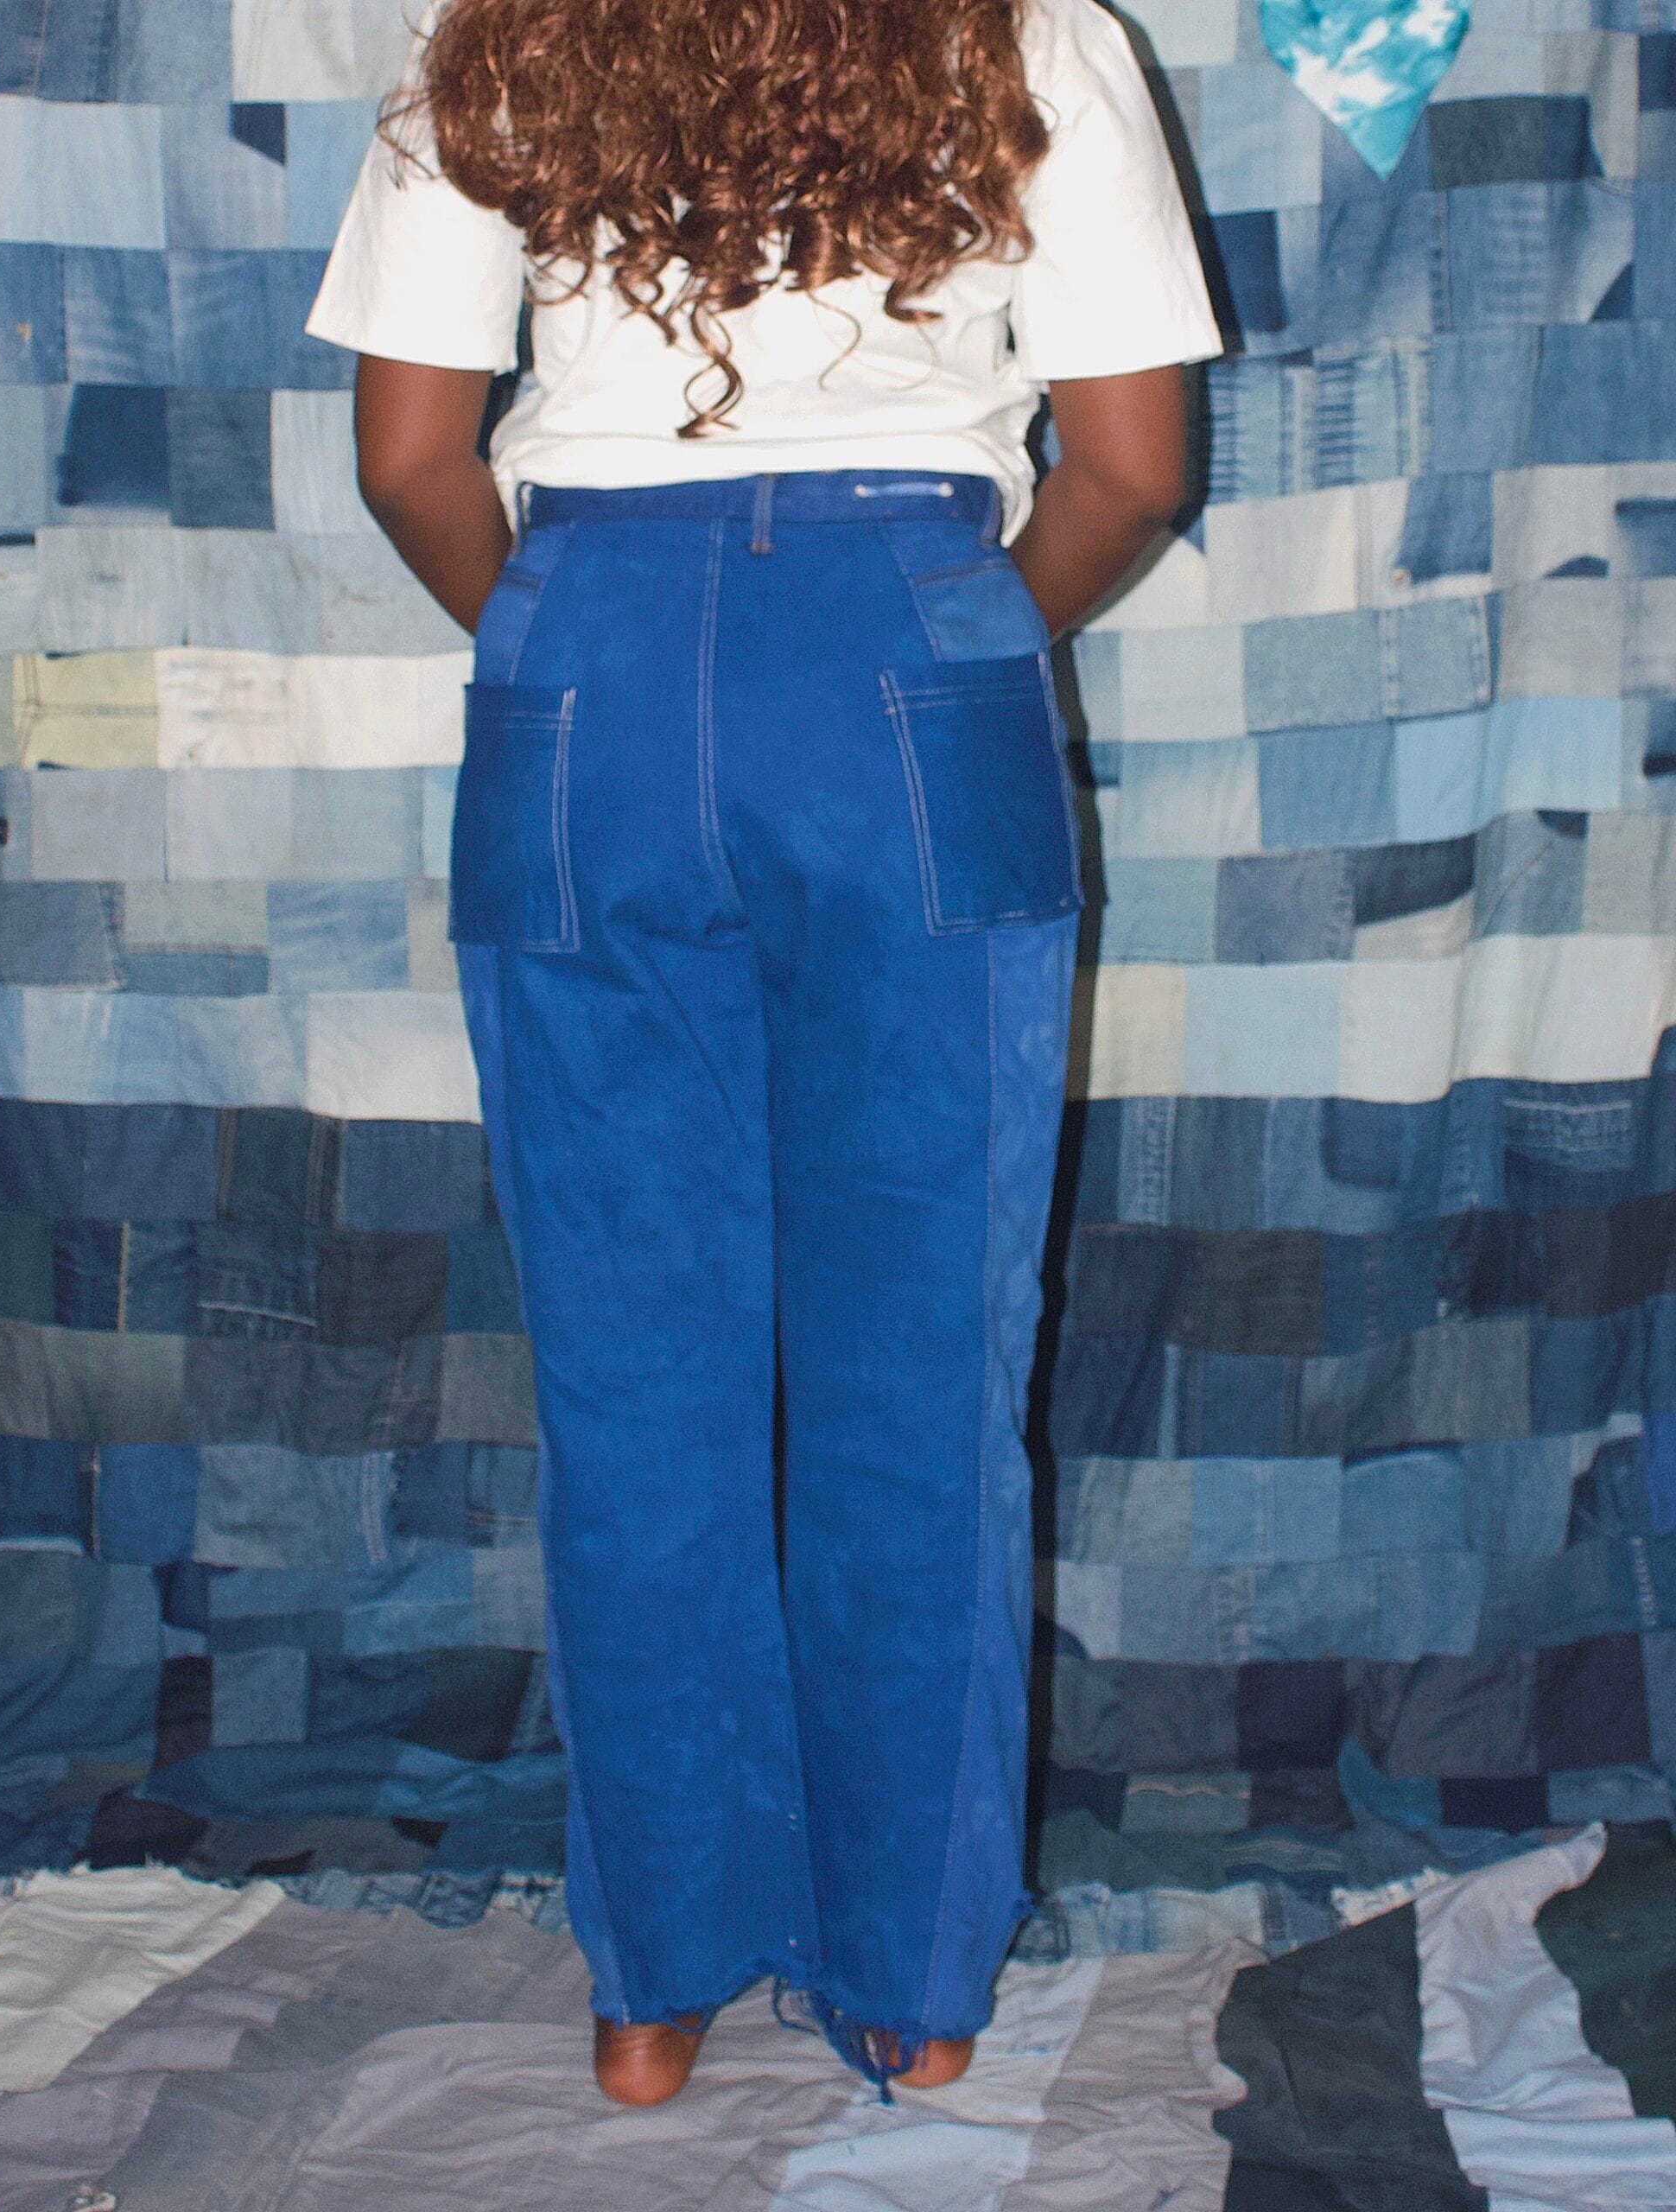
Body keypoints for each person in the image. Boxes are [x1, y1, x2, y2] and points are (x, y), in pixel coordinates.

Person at [307, 0, 1221, 2108]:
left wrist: (574, 654)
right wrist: (944, 653)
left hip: (591, 666)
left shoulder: (498, 39)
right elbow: (1135, 468)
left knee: (633, 1372)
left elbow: (407, 457)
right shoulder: (1029, 35)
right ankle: (911, 1973)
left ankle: (654, 1981)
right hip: (906, 638)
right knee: (923, 1368)